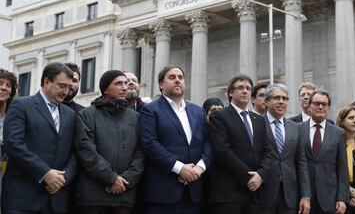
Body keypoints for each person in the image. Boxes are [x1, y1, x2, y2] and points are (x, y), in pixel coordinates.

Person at [2, 62, 77, 214]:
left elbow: (75, 151)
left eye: (69, 87)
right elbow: (14, 145)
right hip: (23, 199)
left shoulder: (71, 115)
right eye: (62, 86)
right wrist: (45, 173)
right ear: (46, 82)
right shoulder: (21, 106)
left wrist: (63, 178)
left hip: (56, 201)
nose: (66, 91)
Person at [139, 65, 213, 214]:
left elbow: (208, 142)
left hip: (194, 194)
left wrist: (199, 168)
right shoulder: (151, 110)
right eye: (172, 77)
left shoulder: (198, 111)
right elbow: (149, 143)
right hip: (164, 195)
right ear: (161, 84)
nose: (177, 81)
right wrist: (180, 168)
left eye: (180, 77)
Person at [75, 70, 145, 213]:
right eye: (119, 83)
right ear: (105, 89)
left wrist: (125, 180)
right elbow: (86, 152)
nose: (125, 87)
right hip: (93, 197)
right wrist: (111, 179)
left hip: (125, 197)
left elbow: (141, 153)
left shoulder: (136, 118)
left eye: (125, 83)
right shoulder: (87, 115)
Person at [208, 74, 274, 214]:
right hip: (229, 193)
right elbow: (222, 151)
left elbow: (267, 151)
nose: (245, 91)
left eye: (248, 88)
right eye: (240, 88)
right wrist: (248, 177)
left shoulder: (259, 120)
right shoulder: (219, 116)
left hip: (256, 193)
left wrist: (260, 176)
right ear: (231, 92)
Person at [262, 84, 310, 214]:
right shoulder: (257, 124)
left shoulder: (295, 128)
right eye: (277, 98)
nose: (281, 102)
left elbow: (301, 163)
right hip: (263, 193)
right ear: (266, 101)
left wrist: (305, 195)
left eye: (285, 98)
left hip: (290, 195)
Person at [299, 89, 349, 214]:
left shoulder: (339, 133)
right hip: (303, 196)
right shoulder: (297, 129)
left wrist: (342, 198)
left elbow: (343, 169)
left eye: (324, 104)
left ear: (328, 108)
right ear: (309, 107)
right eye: (316, 103)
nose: (320, 107)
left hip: (329, 197)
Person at [0, 69, 18, 213]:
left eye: (8, 85)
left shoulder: (17, 117)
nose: (3, 88)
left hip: (9, 177)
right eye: (0, 83)